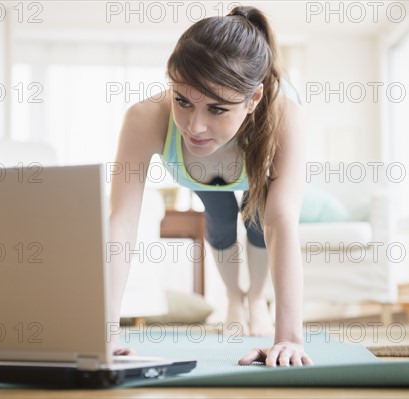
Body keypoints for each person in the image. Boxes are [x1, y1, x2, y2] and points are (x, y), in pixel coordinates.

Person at [108, 5, 311, 367]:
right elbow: (121, 222)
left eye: (217, 109)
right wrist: (103, 332)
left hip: (256, 163)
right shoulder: (144, 118)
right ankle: (234, 297)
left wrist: (289, 338)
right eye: (182, 101)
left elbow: (282, 221)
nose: (194, 127)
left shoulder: (285, 117)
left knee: (258, 221)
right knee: (219, 220)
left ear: (253, 100)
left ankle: (255, 300)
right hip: (205, 174)